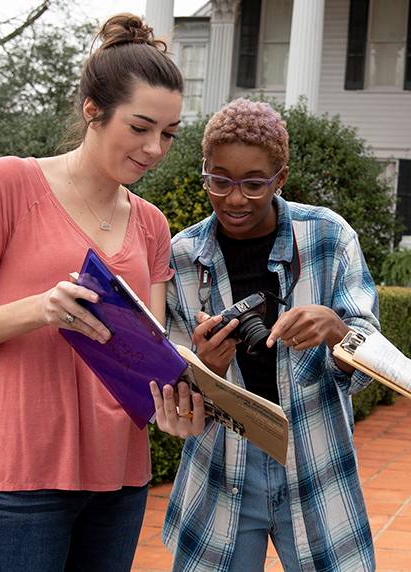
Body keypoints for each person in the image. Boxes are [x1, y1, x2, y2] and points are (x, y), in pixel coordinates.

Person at [0, 14, 183, 571]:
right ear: (94, 110)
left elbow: (149, 356)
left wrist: (180, 397)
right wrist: (41, 308)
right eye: (140, 128)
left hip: (119, 478)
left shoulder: (152, 224)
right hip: (17, 477)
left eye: (168, 133)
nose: (155, 148)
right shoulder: (8, 184)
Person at [150, 98, 379, 571]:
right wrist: (206, 366)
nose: (234, 198)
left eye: (254, 184)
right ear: (206, 171)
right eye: (219, 180)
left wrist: (337, 332)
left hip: (316, 461)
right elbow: (172, 393)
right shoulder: (183, 256)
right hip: (221, 468)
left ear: (281, 178)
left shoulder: (328, 237)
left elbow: (369, 361)